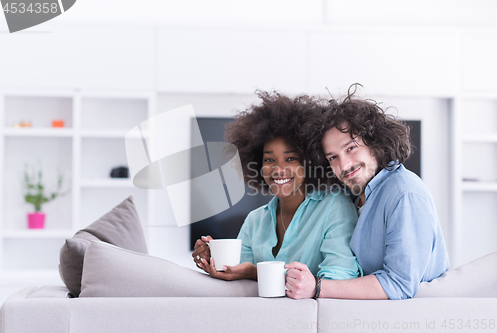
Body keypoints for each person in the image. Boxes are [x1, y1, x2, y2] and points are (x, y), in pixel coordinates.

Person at [192, 91, 362, 298]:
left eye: (290, 159)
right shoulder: (255, 221)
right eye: (269, 160)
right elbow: (238, 279)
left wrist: (256, 272)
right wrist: (215, 261)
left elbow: (339, 279)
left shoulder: (334, 207)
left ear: (310, 162)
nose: (278, 169)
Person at [289, 85, 450, 300]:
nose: (344, 164)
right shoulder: (356, 196)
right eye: (332, 157)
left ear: (375, 142)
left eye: (351, 148)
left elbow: (399, 285)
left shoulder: (404, 193)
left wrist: (317, 287)